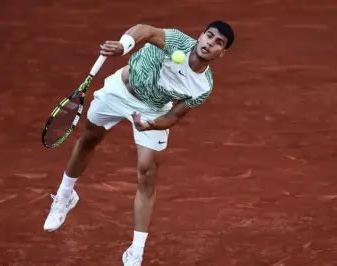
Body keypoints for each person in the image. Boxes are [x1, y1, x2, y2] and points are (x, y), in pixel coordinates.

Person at [43, 20, 234, 265]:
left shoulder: (203, 87)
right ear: (200, 36)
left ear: (222, 53)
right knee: (89, 138)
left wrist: (152, 124)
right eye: (209, 36)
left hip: (152, 110)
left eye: (218, 42)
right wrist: (124, 46)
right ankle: (64, 196)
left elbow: (174, 115)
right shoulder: (176, 41)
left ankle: (136, 249)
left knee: (147, 171)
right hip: (120, 90)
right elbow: (146, 30)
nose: (210, 43)